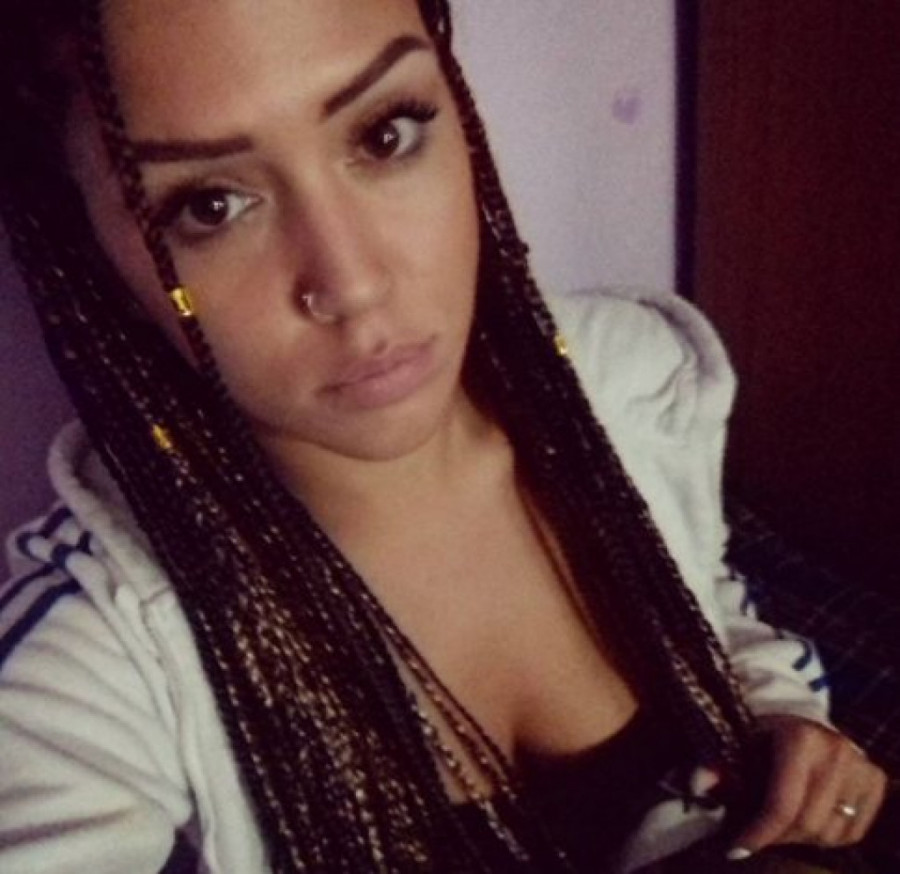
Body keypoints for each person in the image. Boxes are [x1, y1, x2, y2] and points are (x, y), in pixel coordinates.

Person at [0, 1, 889, 872]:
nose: (354, 283)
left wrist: (782, 720)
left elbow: (711, 596)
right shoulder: (99, 659)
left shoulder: (622, 392)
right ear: (91, 249)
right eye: (210, 206)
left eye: (385, 133)